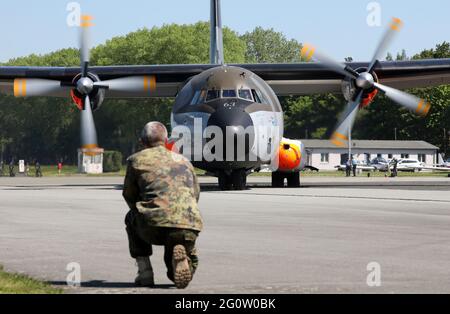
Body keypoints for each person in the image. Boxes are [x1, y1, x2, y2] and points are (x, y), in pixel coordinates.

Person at [123, 122, 203, 289]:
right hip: (188, 224)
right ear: (166, 141)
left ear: (142, 141)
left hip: (153, 226)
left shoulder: (136, 160)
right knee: (176, 271)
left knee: (131, 217)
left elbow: (129, 195)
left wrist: (142, 208)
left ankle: (145, 272)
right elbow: (195, 194)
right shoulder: (184, 161)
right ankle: (183, 260)